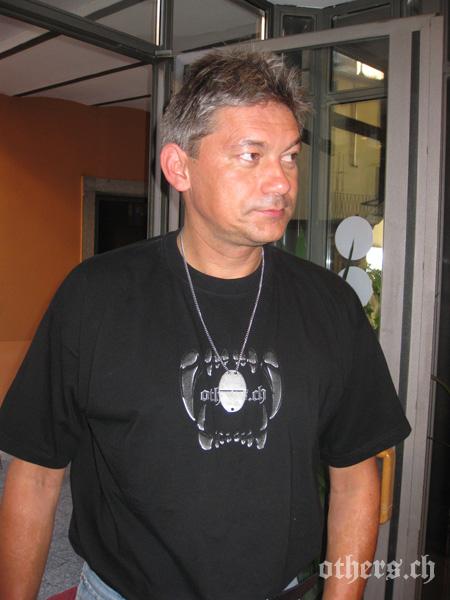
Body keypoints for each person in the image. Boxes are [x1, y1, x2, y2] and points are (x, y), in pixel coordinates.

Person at [0, 49, 410, 600]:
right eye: (251, 155)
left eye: (290, 157)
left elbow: (356, 476)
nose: (281, 181)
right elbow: (35, 473)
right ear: (179, 167)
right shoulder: (95, 295)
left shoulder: (331, 306)